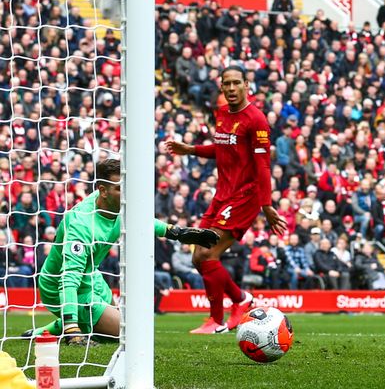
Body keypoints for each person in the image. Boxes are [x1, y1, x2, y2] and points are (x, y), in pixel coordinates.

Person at [23, 159, 219, 343]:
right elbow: (69, 277)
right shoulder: (81, 225)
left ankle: (45, 331)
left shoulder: (119, 206)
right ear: (103, 191)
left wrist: (177, 233)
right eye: (119, 188)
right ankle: (69, 324)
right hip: (59, 285)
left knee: (119, 328)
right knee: (130, 334)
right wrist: (71, 326)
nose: (126, 192)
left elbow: (142, 220)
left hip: (92, 277)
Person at [167, 65, 287, 334]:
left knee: (208, 252)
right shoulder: (221, 114)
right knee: (198, 256)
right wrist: (191, 149)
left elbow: (263, 166)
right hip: (222, 195)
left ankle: (220, 316)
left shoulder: (256, 121)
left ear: (246, 84)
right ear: (221, 86)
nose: (231, 88)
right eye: (227, 84)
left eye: (236, 83)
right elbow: (222, 149)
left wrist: (267, 206)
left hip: (245, 197)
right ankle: (236, 303)